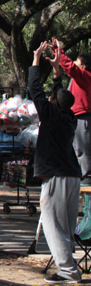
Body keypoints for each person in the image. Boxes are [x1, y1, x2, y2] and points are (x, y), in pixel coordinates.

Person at [30, 40, 82, 284]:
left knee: (53, 226)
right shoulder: (69, 116)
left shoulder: (50, 116)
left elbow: (35, 89)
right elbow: (58, 93)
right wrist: (56, 69)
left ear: (51, 103)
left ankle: (68, 272)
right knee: (67, 227)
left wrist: (36, 58)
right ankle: (70, 266)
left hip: (56, 176)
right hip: (72, 175)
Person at [55, 38, 91, 183]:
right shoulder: (78, 79)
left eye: (77, 60)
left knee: (82, 148)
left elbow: (69, 67)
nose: (75, 62)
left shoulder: (85, 76)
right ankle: (79, 175)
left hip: (83, 116)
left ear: (83, 65)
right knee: (75, 148)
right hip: (76, 116)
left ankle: (87, 178)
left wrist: (59, 51)